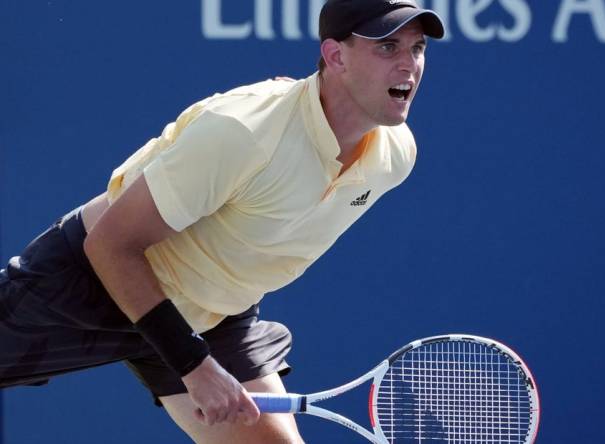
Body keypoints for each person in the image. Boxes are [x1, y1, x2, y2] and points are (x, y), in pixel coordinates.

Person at [0, 0, 445, 442]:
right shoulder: (244, 131)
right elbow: (109, 246)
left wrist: (194, 354)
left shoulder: (395, 156)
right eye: (387, 47)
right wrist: (193, 364)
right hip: (96, 279)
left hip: (214, 313)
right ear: (335, 56)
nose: (409, 65)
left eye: (418, 48)